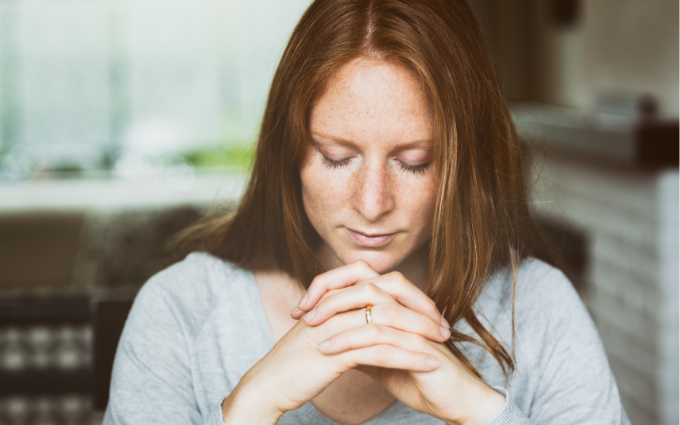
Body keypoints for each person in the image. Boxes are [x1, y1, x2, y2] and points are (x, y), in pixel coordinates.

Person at [103, 0, 630, 424]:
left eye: (414, 162)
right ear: (288, 152)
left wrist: (480, 410)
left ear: (464, 165)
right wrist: (249, 409)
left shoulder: (538, 310)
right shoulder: (180, 314)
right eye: (337, 157)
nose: (372, 203)